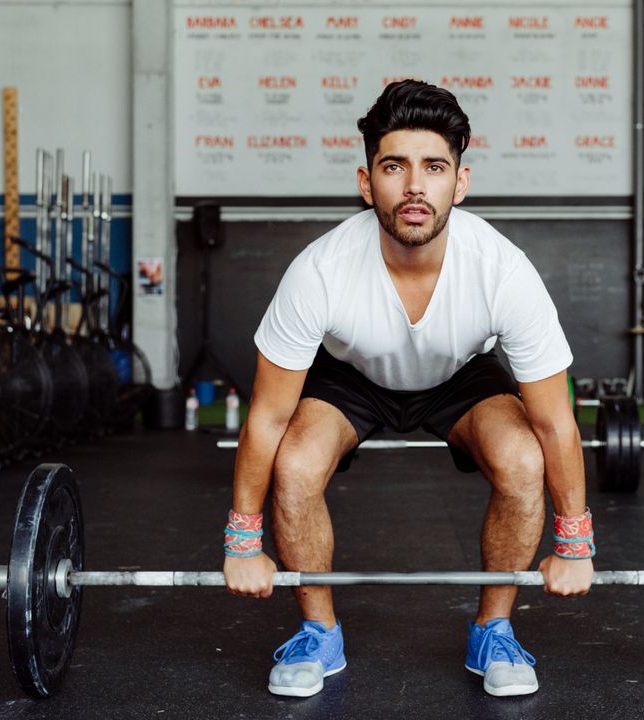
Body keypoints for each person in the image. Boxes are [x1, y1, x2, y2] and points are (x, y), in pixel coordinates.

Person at [223, 80, 593, 699]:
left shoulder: (503, 271)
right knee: (293, 461)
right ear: (368, 183)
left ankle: (494, 630)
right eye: (394, 167)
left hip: (460, 376)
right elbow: (264, 417)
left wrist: (575, 540)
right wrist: (241, 539)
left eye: (434, 167)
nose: (415, 186)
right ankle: (318, 634)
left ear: (461, 182)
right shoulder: (319, 271)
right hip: (352, 377)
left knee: (524, 457)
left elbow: (556, 422)